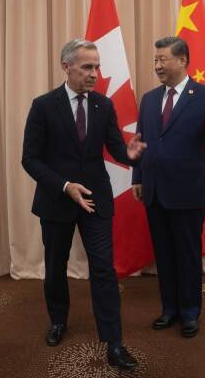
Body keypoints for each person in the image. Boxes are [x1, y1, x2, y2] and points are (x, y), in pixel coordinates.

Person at [22, 38, 145, 370]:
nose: (95, 74)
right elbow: (30, 159)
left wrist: (130, 154)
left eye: (97, 67)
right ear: (67, 67)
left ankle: (114, 343)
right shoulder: (43, 106)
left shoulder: (103, 105)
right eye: (87, 67)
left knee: (103, 269)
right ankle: (58, 320)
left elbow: (116, 149)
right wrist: (65, 186)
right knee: (56, 266)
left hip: (95, 200)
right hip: (57, 200)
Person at [131, 36, 205, 338]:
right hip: (154, 190)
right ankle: (169, 309)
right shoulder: (149, 99)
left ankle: (190, 312)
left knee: (187, 254)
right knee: (164, 254)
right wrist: (138, 177)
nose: (157, 65)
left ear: (182, 61)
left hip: (187, 191)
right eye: (155, 60)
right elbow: (140, 141)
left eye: (163, 59)